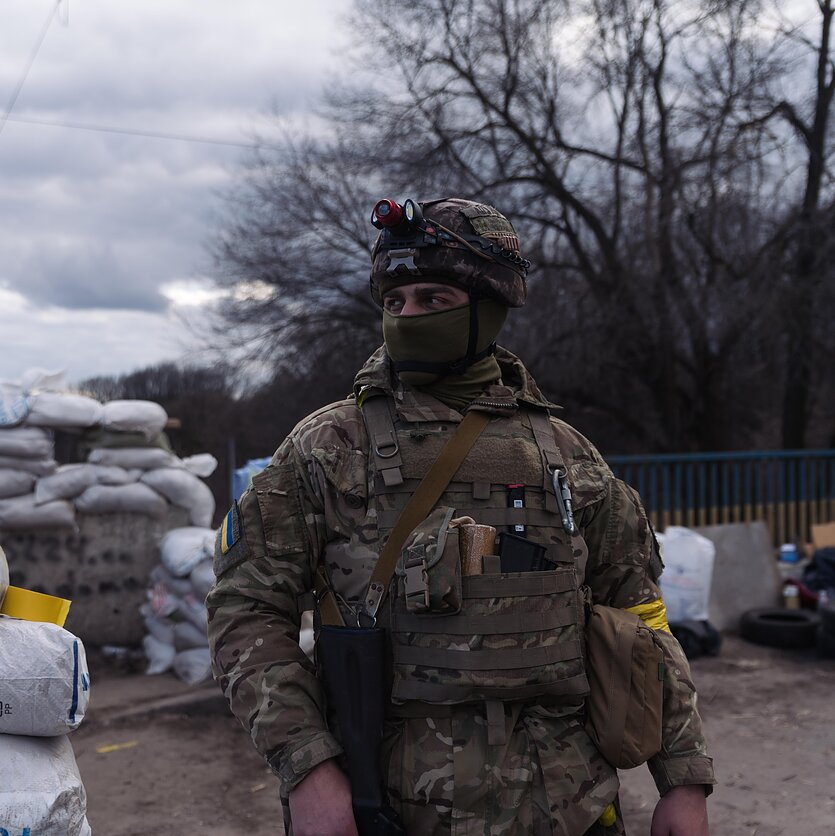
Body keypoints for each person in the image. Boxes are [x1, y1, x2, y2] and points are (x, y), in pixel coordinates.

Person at [207, 197, 715, 836]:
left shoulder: (568, 456)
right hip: (395, 805)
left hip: (568, 807)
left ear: (490, 307)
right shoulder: (327, 449)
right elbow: (245, 610)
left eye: (434, 299)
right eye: (396, 302)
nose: (409, 315)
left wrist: (683, 778)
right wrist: (308, 767)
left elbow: (639, 617)